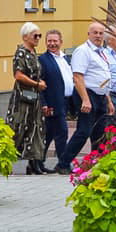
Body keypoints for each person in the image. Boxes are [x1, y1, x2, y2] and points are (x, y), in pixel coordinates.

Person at [55, 23, 115, 175]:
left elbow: (103, 77)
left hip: (101, 95)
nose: (98, 36)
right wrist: (86, 100)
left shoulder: (103, 52)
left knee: (100, 132)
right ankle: (63, 163)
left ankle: (98, 162)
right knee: (84, 131)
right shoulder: (83, 51)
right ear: (88, 34)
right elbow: (78, 77)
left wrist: (108, 100)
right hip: (87, 94)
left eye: (101, 33)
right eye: (95, 33)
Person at [6, 22, 48, 175]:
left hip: (34, 98)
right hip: (23, 98)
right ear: (25, 37)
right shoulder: (21, 53)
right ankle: (6, 161)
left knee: (35, 128)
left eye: (39, 35)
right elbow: (18, 75)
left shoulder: (33, 53)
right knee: (17, 127)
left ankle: (34, 163)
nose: (38, 38)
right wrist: (37, 84)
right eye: (35, 36)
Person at [38, 29, 74, 175]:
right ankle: (63, 164)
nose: (52, 44)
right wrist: (43, 103)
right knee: (62, 132)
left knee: (49, 134)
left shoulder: (66, 59)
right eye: (49, 41)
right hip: (53, 102)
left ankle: (36, 162)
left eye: (55, 41)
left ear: (61, 42)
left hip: (65, 101)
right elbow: (39, 83)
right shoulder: (43, 60)